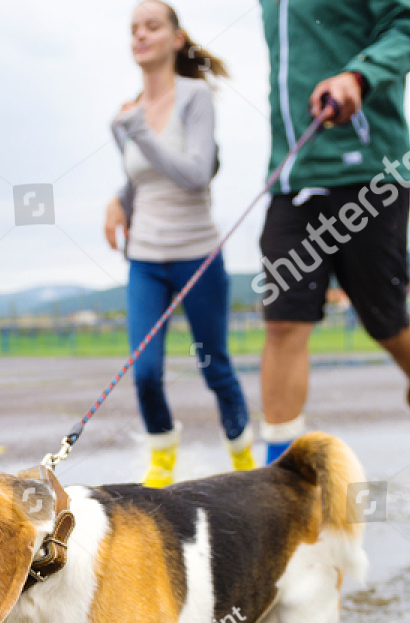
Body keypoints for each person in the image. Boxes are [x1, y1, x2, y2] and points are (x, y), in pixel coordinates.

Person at [256, 0, 410, 494]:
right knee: (283, 320)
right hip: (294, 177)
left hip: (368, 171)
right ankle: (277, 483)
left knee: (386, 323)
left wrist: (358, 75)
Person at [106, 1, 252, 488]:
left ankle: (244, 462)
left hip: (197, 254)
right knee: (145, 371)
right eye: (133, 29)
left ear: (176, 38)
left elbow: (193, 174)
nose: (140, 36)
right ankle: (162, 460)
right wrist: (117, 201)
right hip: (146, 257)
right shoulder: (125, 116)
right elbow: (140, 179)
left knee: (215, 367)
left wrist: (141, 133)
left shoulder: (195, 99)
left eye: (152, 26)